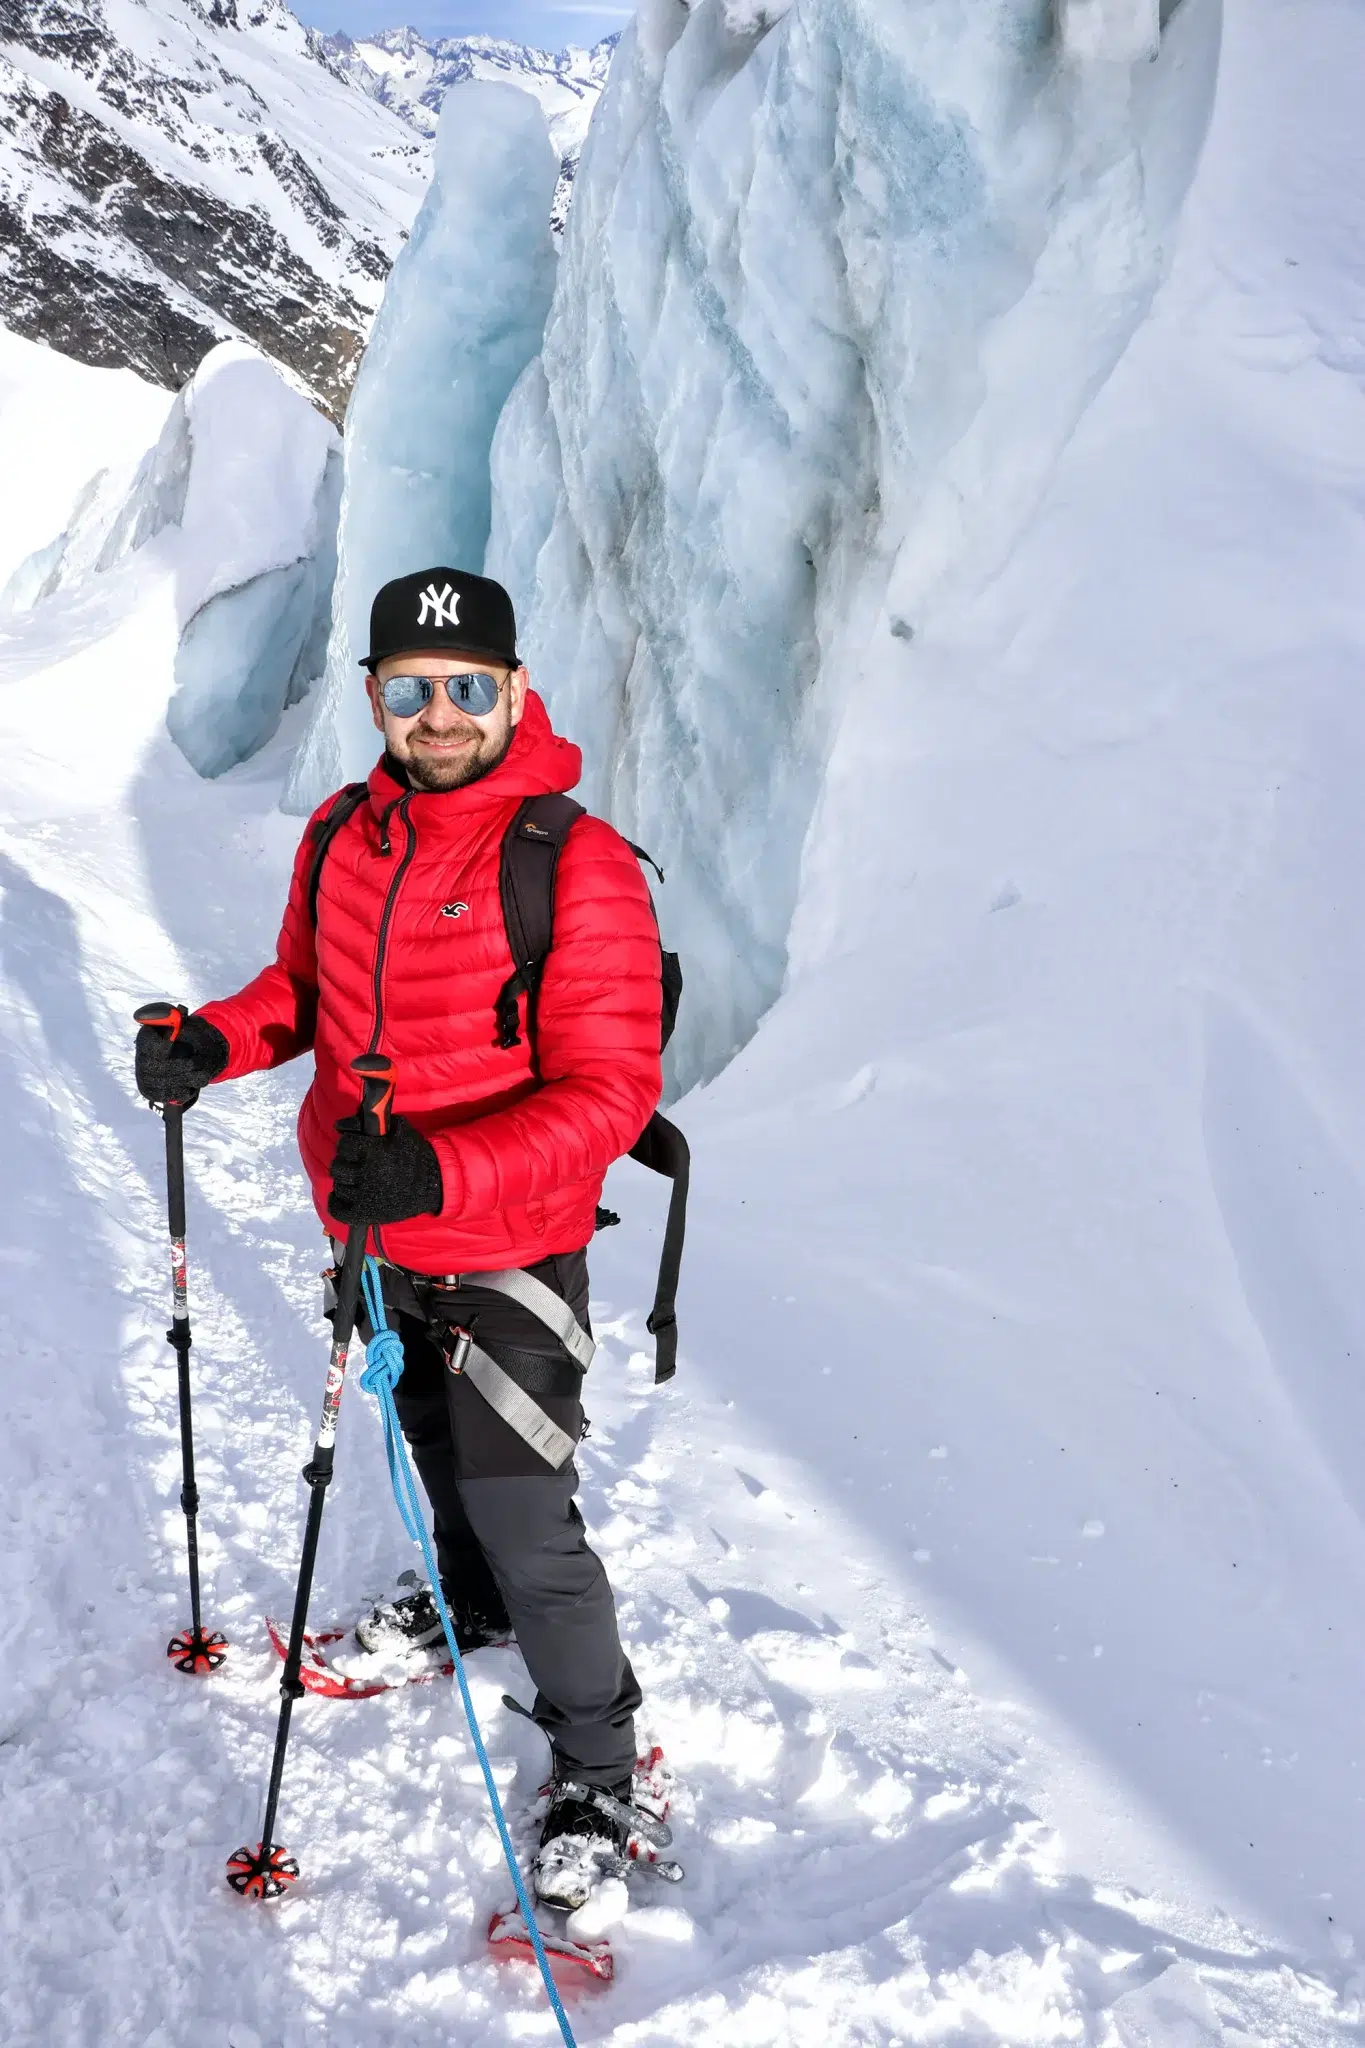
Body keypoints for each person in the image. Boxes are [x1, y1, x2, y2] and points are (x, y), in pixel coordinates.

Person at [135, 567, 664, 1911]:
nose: (439, 715)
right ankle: (467, 1604)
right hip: (376, 1230)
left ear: (513, 693)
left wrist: (437, 1164)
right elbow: (303, 992)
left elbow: (611, 1095)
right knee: (426, 1445)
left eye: (466, 688)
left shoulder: (574, 865)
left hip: (507, 1245)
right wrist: (217, 1040)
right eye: (411, 688)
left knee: (525, 1513)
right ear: (376, 697)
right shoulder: (342, 834)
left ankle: (603, 1767)